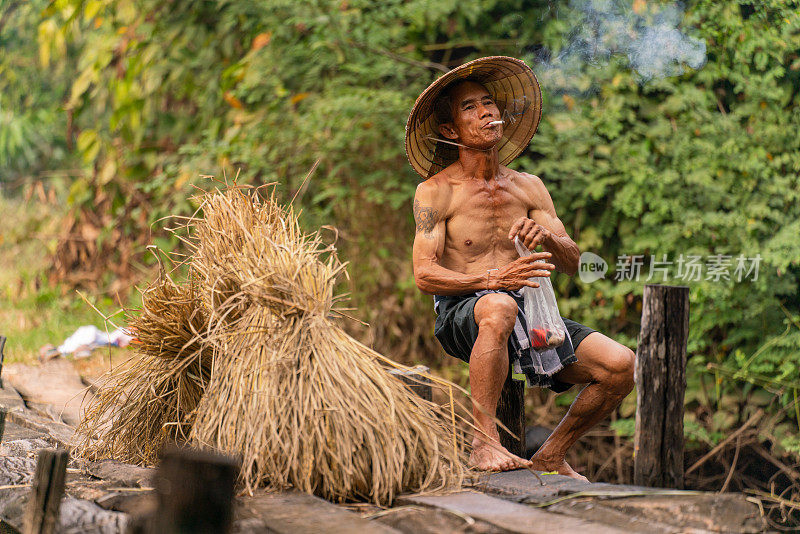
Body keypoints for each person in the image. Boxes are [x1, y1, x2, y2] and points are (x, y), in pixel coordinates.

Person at [405, 56, 635, 479]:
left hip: (532, 316)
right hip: (464, 313)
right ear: (450, 131)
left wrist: (547, 238)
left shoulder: (529, 186)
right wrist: (492, 279)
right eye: (469, 107)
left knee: (620, 365)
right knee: (498, 307)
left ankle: (550, 454)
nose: (486, 111)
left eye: (489, 103)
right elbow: (424, 274)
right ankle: (484, 442)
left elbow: (573, 263)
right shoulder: (435, 192)